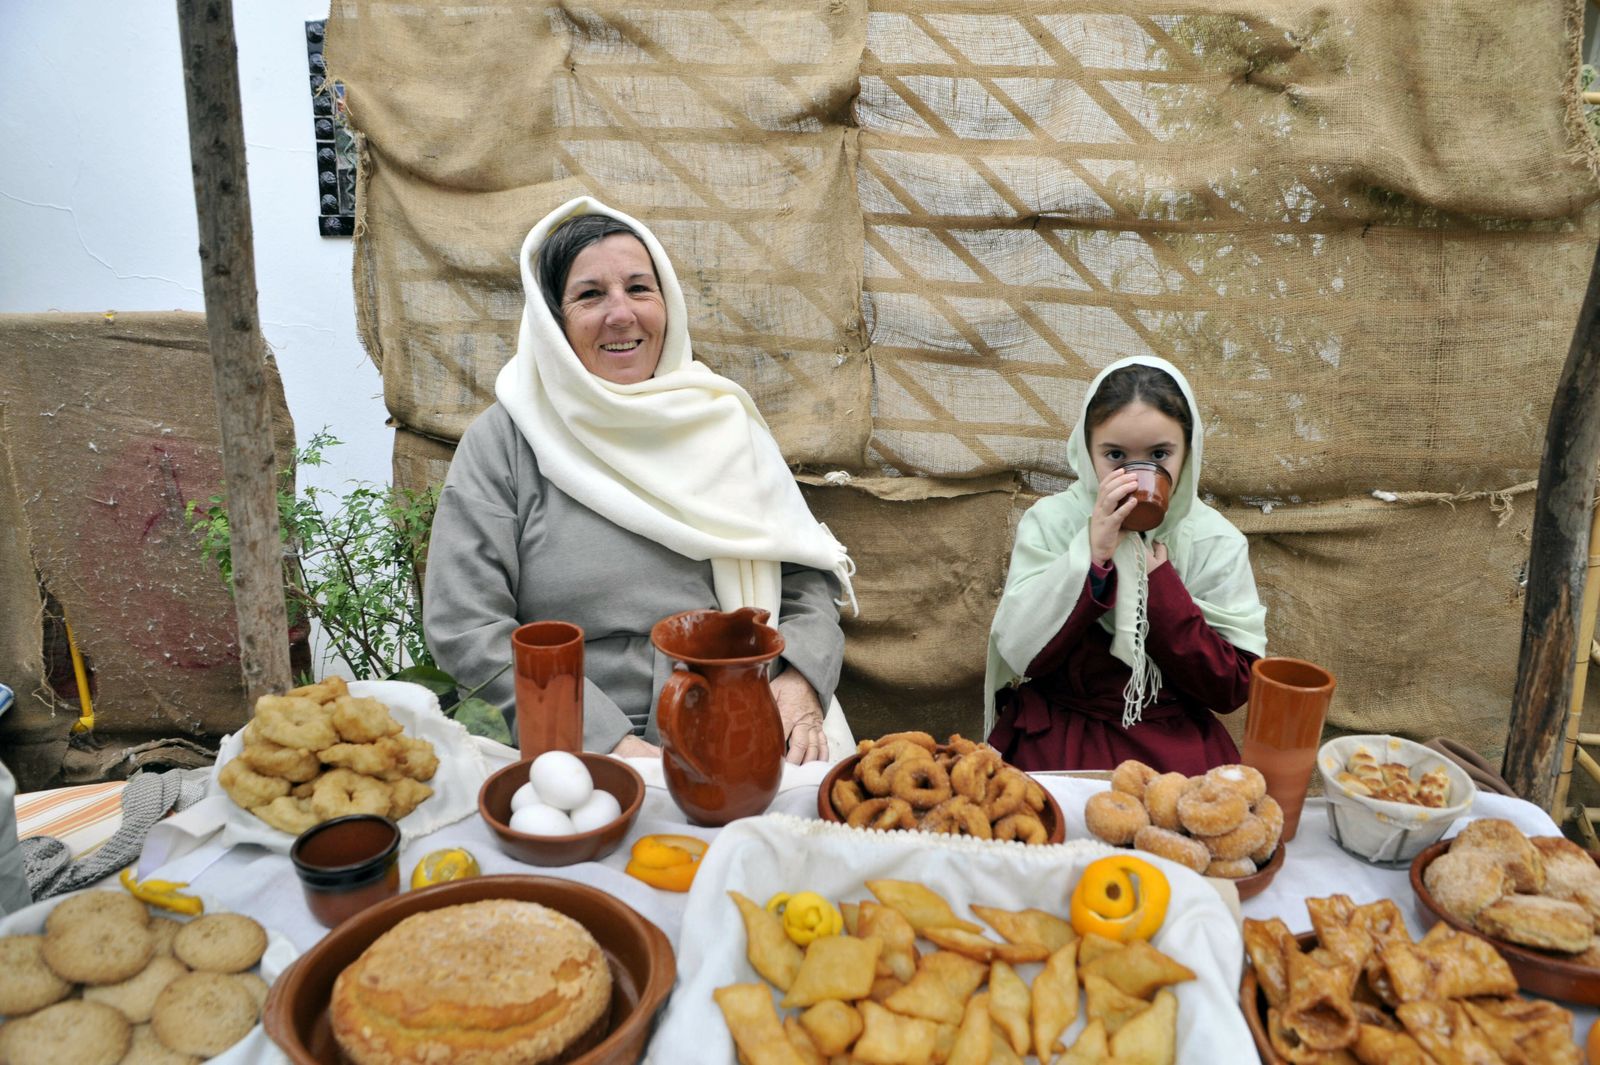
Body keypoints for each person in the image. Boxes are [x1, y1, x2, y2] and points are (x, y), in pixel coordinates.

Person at [425, 198, 856, 763]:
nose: (621, 314)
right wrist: (606, 742)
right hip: (574, 737)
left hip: (745, 712)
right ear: (553, 322)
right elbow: (465, 623)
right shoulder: (505, 443)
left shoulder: (723, 424)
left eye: (638, 288)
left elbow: (805, 579)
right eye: (589, 294)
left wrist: (797, 683)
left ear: (668, 303)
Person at [984, 355, 1267, 775]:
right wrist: (1090, 557)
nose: (1137, 477)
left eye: (1159, 454)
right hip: (1059, 736)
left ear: (1188, 451)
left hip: (1172, 744)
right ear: (1086, 450)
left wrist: (1159, 587)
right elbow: (1021, 652)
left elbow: (1231, 688)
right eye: (1115, 455)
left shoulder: (1213, 539)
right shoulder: (1052, 522)